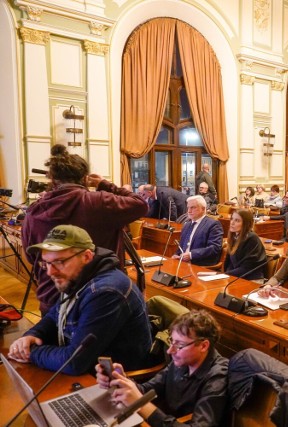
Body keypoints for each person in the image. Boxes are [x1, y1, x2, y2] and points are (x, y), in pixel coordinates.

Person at [21, 144, 148, 314]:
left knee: (55, 340)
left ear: (52, 179)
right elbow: (140, 204)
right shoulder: (99, 202)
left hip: (53, 298)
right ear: (84, 178)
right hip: (99, 298)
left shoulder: (34, 210)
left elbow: (31, 256)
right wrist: (104, 183)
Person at [9, 225, 151, 374]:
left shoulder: (107, 291)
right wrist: (33, 335)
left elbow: (74, 362)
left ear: (87, 256)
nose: (50, 272)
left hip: (115, 382)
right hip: (88, 370)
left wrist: (31, 352)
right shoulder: (77, 276)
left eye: (59, 262)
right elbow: (54, 315)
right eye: (46, 263)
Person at [96, 310, 228, 427]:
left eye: (180, 345)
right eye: (172, 341)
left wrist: (141, 404)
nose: (170, 351)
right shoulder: (181, 361)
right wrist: (122, 380)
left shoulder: (217, 378)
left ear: (203, 346)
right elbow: (147, 390)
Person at [173, 195, 224, 266]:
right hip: (182, 263)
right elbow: (181, 247)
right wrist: (176, 255)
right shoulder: (187, 225)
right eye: (188, 208)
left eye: (193, 207)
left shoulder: (213, 224)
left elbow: (214, 248)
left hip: (200, 264)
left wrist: (191, 255)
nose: (189, 211)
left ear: (203, 209)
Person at [224, 210, 268, 279]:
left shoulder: (252, 238)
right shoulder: (234, 237)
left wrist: (226, 275)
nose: (232, 223)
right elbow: (230, 263)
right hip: (236, 276)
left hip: (251, 278)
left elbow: (248, 267)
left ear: (246, 224)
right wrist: (226, 274)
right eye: (232, 219)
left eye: (237, 221)